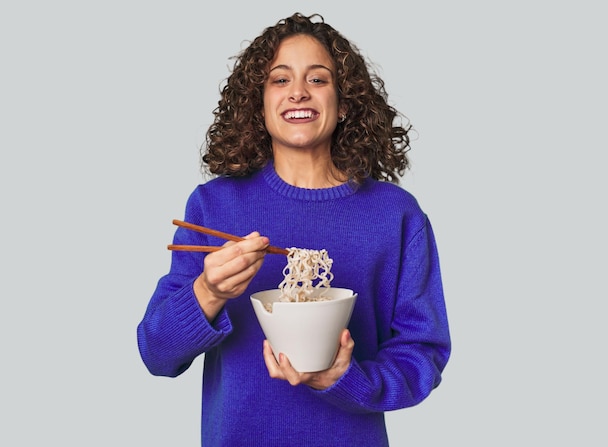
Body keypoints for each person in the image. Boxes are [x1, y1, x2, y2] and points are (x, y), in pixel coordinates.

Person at [137, 12, 451, 447]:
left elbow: (424, 353)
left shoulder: (395, 215)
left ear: (344, 104)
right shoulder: (213, 206)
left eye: (318, 79)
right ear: (259, 103)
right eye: (280, 80)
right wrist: (208, 292)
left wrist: (346, 378)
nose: (298, 92)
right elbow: (156, 354)